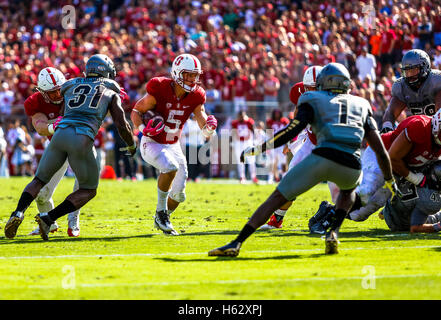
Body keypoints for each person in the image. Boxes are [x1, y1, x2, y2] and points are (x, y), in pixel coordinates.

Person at [208, 63, 395, 256]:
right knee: (348, 197)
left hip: (323, 151)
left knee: (279, 195)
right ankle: (332, 230)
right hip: (348, 159)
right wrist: (390, 180)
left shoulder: (312, 98)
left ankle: (237, 242)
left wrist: (261, 148)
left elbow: (292, 128)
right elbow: (379, 149)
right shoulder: (361, 103)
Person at [4, 54, 136, 241]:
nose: (57, 94)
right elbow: (122, 125)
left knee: (39, 180)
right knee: (89, 189)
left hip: (60, 135)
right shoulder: (110, 90)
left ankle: (18, 213)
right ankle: (48, 218)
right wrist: (131, 145)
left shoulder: (71, 85)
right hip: (80, 138)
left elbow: (67, 108)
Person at [130, 53, 217, 236]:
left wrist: (208, 129)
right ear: (177, 73)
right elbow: (137, 110)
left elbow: (201, 119)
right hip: (152, 142)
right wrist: (142, 129)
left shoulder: (196, 95)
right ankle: (161, 214)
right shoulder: (160, 88)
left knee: (179, 195)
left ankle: (162, 217)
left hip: (173, 144)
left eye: (195, 75)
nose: (192, 79)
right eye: (188, 74)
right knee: (170, 167)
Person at [311, 112, 441, 233]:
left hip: (398, 168)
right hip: (381, 155)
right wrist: (416, 179)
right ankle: (329, 217)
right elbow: (393, 158)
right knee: (367, 191)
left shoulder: (436, 140)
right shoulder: (420, 127)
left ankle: (327, 208)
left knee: (359, 215)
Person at [20, 67, 81, 236]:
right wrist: (55, 125)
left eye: (59, 90)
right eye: (52, 92)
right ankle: (50, 223)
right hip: (58, 147)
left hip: (82, 144)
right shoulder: (35, 102)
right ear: (42, 91)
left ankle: (73, 219)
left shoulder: (74, 91)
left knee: (83, 183)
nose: (58, 95)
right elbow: (40, 127)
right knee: (41, 194)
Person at [260, 65, 323, 230]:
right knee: (291, 179)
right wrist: (293, 138)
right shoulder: (299, 92)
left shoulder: (336, 96)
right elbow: (297, 118)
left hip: (332, 142)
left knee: (342, 192)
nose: (315, 91)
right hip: (310, 139)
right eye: (311, 88)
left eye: (318, 87)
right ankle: (277, 220)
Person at [381, 49, 441, 134]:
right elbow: (391, 112)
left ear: (424, 67)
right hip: (419, 130)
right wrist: (387, 126)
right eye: (407, 71)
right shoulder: (401, 86)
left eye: (413, 70)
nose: (410, 75)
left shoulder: (436, 79)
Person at [381, 161, 441, 233]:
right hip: (404, 224)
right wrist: (438, 226)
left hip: (389, 211)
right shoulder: (431, 198)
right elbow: (415, 228)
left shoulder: (415, 172)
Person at [231, 110, 258, 184]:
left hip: (248, 142)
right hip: (238, 142)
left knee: (251, 160)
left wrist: (255, 141)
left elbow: (253, 131)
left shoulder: (249, 122)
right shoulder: (235, 123)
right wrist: (232, 143)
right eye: (240, 116)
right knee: (240, 161)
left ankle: (253, 177)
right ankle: (242, 177)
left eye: (242, 116)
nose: (241, 118)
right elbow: (233, 133)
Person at [266, 109, 289, 184]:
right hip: (274, 143)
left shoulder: (284, 121)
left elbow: (288, 132)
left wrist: (286, 143)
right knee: (272, 161)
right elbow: (268, 132)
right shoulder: (270, 121)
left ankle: (284, 177)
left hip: (282, 143)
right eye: (275, 113)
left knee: (283, 161)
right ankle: (271, 177)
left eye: (278, 113)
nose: (277, 115)